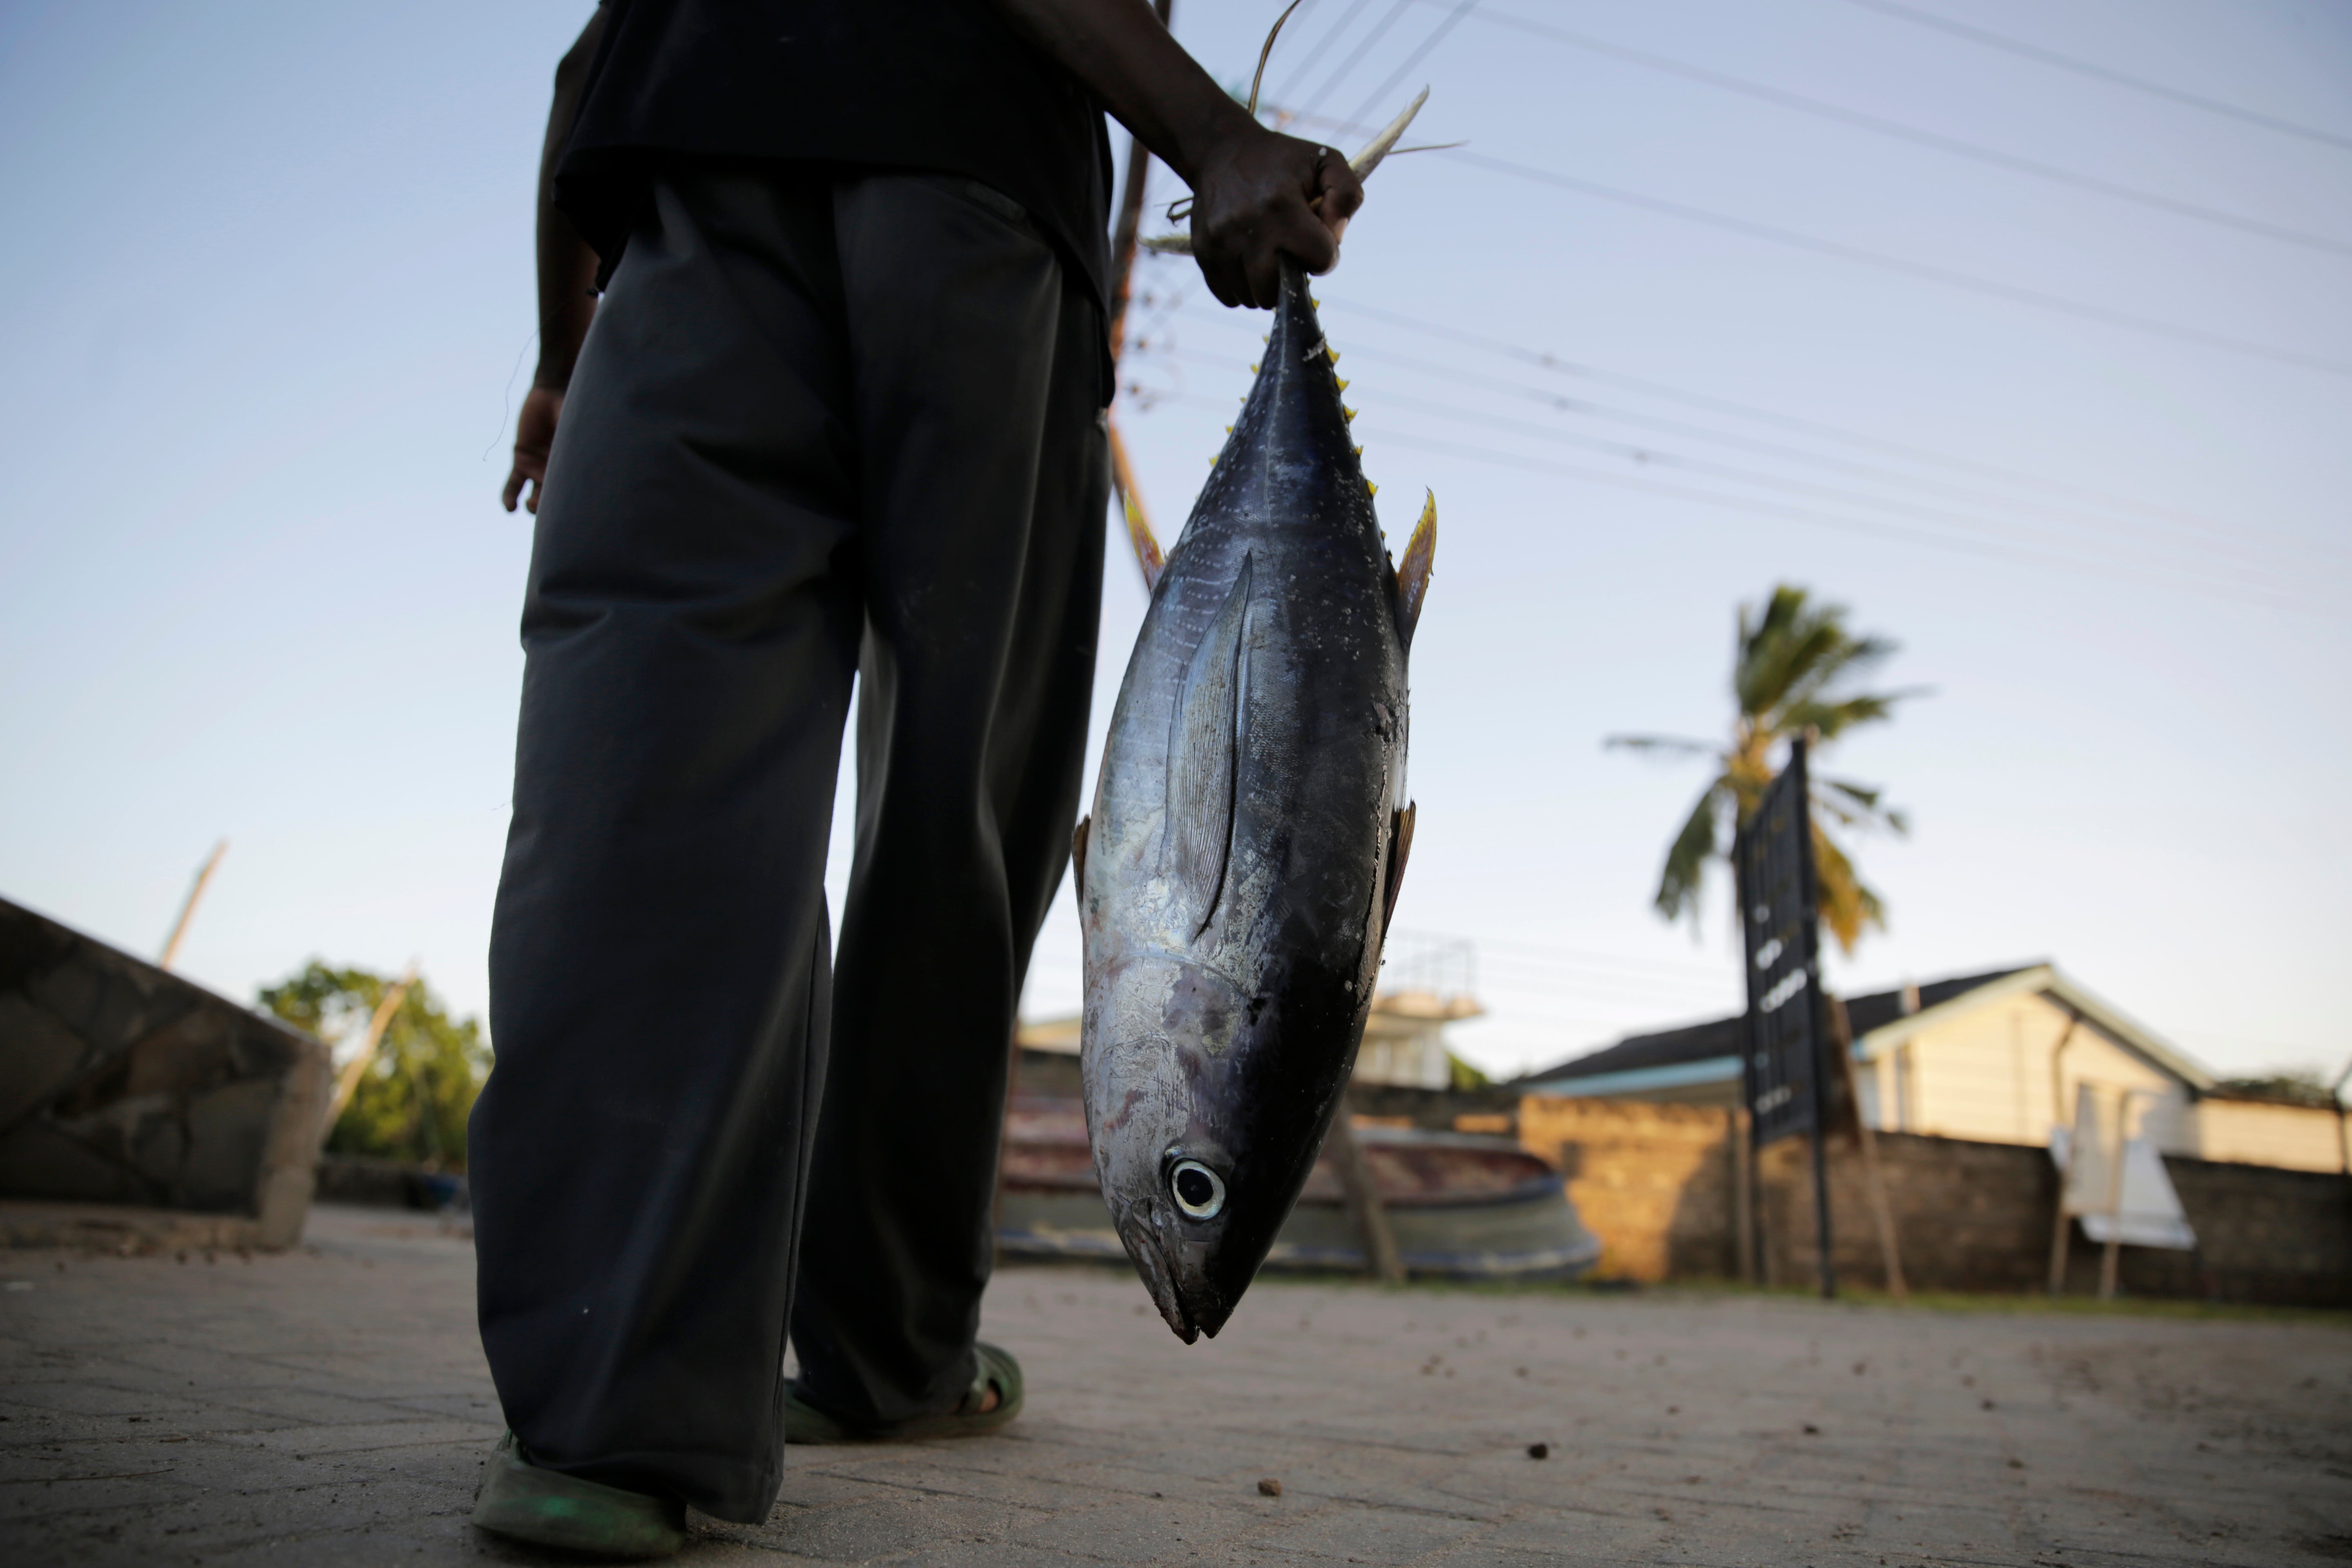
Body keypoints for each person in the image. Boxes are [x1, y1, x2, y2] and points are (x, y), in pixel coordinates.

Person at [467, 0, 1363, 1556]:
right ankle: (884, 1355)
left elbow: (584, 68)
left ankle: (611, 1421)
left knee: (647, 783)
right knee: (957, 807)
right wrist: (1210, 136)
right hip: (971, 203)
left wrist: (563, 356)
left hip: (688, 207)